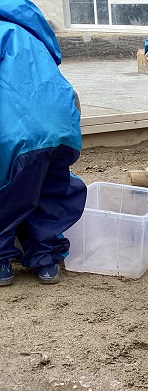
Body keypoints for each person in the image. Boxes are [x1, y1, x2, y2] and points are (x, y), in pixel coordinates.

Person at [0, 0, 86, 286]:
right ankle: (46, 259)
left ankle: (1, 260)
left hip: (17, 132)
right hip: (64, 127)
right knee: (49, 189)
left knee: (9, 191)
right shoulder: (36, 35)